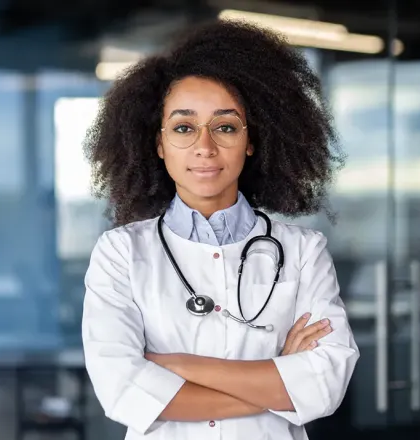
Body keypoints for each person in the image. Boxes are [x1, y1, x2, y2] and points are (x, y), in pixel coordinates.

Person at [81, 19, 359, 439]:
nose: (205, 147)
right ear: (158, 144)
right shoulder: (120, 253)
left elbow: (326, 384)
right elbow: (122, 392)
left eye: (225, 126)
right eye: (183, 127)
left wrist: (178, 366)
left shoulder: (303, 251)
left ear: (252, 139)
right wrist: (281, 380)